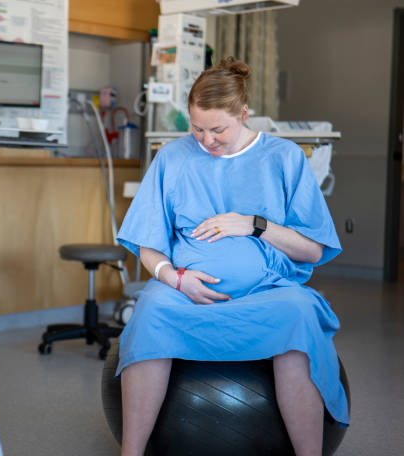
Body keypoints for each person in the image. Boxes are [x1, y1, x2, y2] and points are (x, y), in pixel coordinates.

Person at [115, 57, 349, 456]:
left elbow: (311, 248)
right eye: (197, 128)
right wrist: (174, 278)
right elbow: (147, 243)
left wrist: (254, 224)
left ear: (244, 114)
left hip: (268, 292)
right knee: (151, 310)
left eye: (218, 129)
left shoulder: (284, 157)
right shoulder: (173, 158)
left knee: (298, 316)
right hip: (185, 292)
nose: (206, 140)